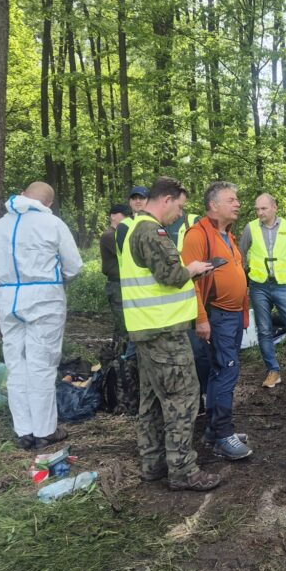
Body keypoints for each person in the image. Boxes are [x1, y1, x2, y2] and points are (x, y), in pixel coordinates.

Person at [117, 176, 220, 491]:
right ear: (166, 200)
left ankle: (154, 463)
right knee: (182, 398)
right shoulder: (152, 231)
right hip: (164, 332)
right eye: (179, 206)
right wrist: (193, 269)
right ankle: (183, 470)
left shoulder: (133, 228)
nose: (180, 213)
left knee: (151, 400)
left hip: (146, 329)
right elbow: (171, 275)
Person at [0, 182, 83, 450]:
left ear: (23, 195)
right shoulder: (52, 224)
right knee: (42, 364)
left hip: (8, 299)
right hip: (44, 299)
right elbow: (74, 266)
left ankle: (24, 430)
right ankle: (44, 430)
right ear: (48, 203)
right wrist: (55, 279)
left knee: (16, 365)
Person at [181, 182, 253, 461]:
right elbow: (190, 282)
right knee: (226, 372)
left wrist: (243, 314)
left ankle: (213, 430)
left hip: (232, 317)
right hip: (217, 316)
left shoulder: (228, 235)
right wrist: (201, 319)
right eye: (231, 200)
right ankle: (224, 435)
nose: (237, 204)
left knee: (218, 372)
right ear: (213, 205)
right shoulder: (198, 235)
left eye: (237, 199)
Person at [239, 193, 286, 389]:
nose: (259, 212)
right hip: (259, 286)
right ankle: (273, 371)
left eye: (263, 208)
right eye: (257, 209)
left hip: (283, 286)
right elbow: (240, 255)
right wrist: (243, 278)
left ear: (274, 207)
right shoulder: (251, 228)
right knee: (264, 330)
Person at [100, 203, 131, 341]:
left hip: (123, 284)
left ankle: (119, 351)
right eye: (123, 215)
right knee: (123, 326)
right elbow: (128, 252)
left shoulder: (118, 234)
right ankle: (119, 352)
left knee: (125, 325)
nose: (126, 218)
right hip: (116, 285)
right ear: (113, 216)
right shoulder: (109, 235)